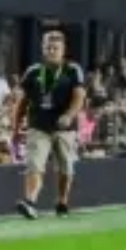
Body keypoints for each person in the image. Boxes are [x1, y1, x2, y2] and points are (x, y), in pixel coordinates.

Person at [12, 28, 87, 219]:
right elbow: (22, 101)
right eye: (48, 48)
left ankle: (62, 201)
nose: (51, 51)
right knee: (34, 164)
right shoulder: (33, 71)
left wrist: (69, 115)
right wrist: (16, 127)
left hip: (64, 128)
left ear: (63, 50)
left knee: (65, 167)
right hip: (39, 125)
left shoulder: (73, 70)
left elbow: (79, 96)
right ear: (42, 49)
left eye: (55, 48)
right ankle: (30, 201)